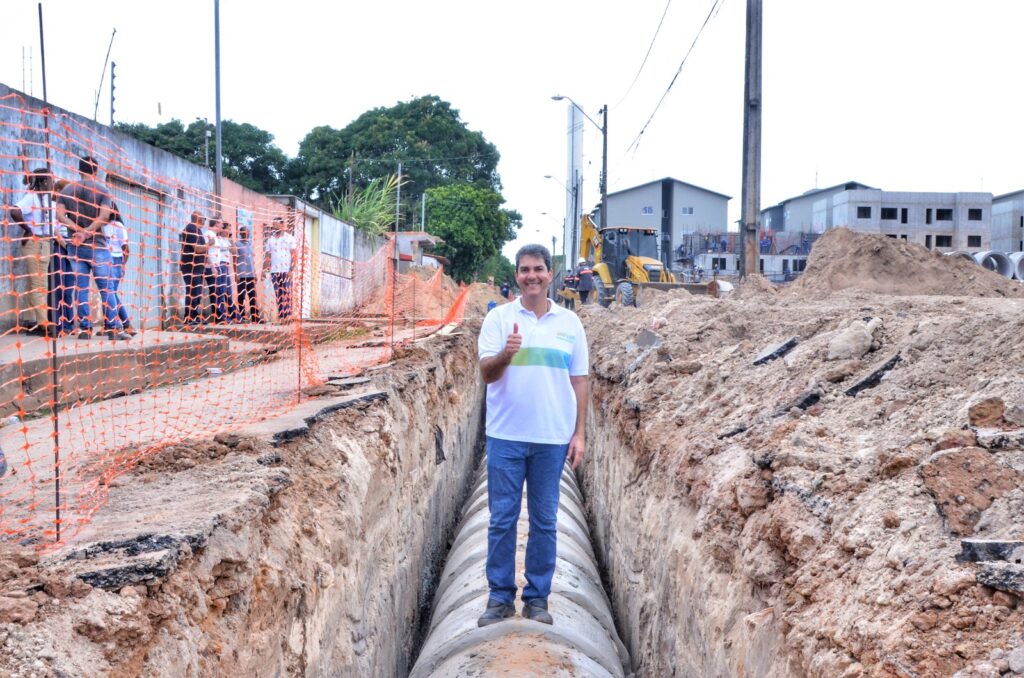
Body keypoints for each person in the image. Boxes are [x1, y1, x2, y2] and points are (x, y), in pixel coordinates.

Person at [476, 243, 589, 627]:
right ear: (517, 275)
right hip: (505, 435)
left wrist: (580, 434)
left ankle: (537, 600)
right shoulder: (498, 319)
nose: (532, 276)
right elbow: (487, 374)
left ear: (549, 273)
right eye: (525, 270)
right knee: (502, 519)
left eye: (538, 269)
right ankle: (499, 598)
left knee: (545, 520)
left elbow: (580, 380)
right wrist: (506, 354)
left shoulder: (569, 323)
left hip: (552, 438)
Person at [55, 156, 129, 341]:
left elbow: (59, 214)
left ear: (79, 169)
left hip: (75, 247)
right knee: (107, 288)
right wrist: (88, 232)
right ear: (96, 171)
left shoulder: (67, 190)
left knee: (81, 289)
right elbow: (104, 216)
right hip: (98, 246)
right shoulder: (102, 190)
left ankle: (85, 329)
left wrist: (77, 229)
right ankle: (112, 328)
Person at [10, 169, 56, 336]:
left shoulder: (49, 200)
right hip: (36, 242)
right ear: (43, 182)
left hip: (44, 242)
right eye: (51, 180)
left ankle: (31, 321)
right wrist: (29, 229)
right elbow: (14, 211)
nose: (53, 183)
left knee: (34, 283)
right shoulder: (32, 197)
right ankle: (44, 324)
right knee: (39, 285)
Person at [104, 203, 136, 336]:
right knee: (106, 293)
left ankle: (126, 323)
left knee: (110, 293)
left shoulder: (118, 226)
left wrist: (122, 265)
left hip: (115, 261)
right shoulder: (102, 225)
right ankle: (109, 325)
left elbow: (126, 249)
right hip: (104, 261)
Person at [179, 211, 210, 325]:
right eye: (203, 218)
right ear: (199, 219)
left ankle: (195, 315)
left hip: (198, 267)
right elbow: (197, 249)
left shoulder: (198, 230)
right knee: (192, 291)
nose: (204, 221)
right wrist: (209, 244)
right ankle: (189, 317)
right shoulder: (190, 229)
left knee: (197, 292)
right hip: (190, 267)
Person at [264, 218, 297, 321]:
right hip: (274, 271)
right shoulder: (271, 239)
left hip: (286, 270)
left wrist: (291, 270)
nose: (274, 227)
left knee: (286, 292)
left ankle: (288, 315)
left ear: (282, 225)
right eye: (273, 225)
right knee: (278, 293)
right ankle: (282, 315)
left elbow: (294, 255)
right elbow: (267, 256)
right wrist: (263, 270)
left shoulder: (290, 238)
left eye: (276, 225)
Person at [208, 221, 236, 323]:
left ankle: (232, 315)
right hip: (221, 265)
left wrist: (231, 241)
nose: (229, 231)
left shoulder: (227, 240)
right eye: (228, 228)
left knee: (227, 291)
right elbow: (211, 251)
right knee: (221, 291)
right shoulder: (218, 239)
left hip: (226, 266)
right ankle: (222, 316)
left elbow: (234, 252)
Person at [233, 225, 261, 323]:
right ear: (240, 234)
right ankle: (242, 317)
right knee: (241, 297)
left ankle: (255, 318)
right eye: (245, 232)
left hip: (251, 275)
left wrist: (255, 274)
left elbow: (252, 260)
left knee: (252, 296)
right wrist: (236, 274)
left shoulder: (250, 244)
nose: (247, 234)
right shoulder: (236, 244)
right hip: (241, 275)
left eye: (248, 232)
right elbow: (234, 260)